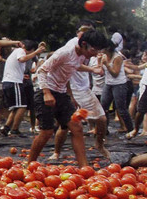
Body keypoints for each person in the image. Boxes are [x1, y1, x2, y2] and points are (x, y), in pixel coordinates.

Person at [27, 30, 110, 167]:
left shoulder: (82, 55)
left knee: (76, 127)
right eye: (94, 50)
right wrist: (47, 93)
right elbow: (42, 70)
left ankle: (84, 167)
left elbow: (74, 66)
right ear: (84, 44)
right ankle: (30, 165)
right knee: (47, 132)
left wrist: (92, 70)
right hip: (45, 91)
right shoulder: (65, 52)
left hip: (61, 94)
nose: (95, 54)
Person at [0, 40, 46, 136]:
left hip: (10, 81)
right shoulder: (21, 50)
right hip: (14, 82)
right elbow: (22, 59)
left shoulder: (16, 52)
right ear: (31, 49)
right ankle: (15, 129)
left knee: (16, 107)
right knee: (22, 106)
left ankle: (7, 127)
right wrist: (36, 52)